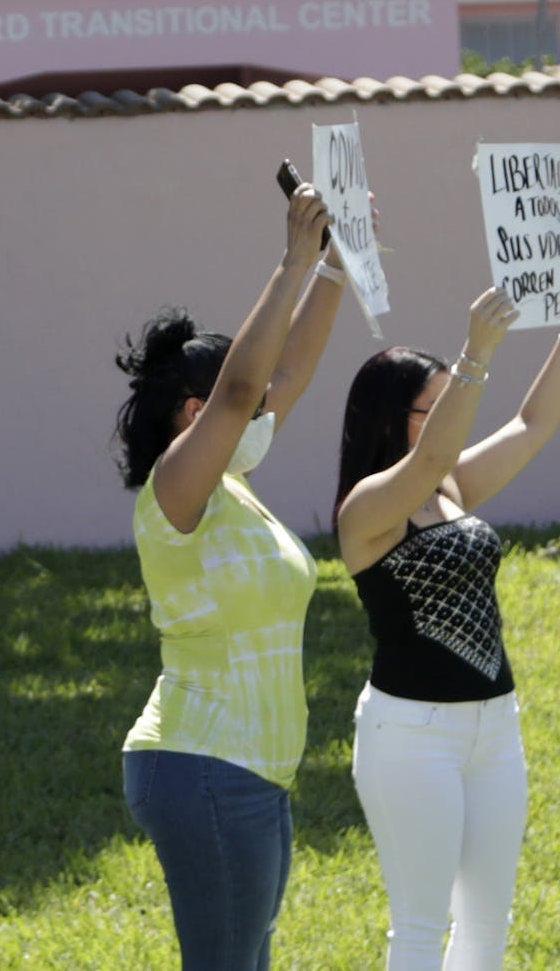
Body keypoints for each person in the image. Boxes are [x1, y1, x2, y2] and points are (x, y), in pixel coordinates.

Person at [333, 261, 560, 970]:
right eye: (439, 401)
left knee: (488, 928)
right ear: (399, 420)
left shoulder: (450, 485)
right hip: (410, 736)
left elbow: (533, 423)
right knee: (422, 930)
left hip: (494, 728)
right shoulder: (367, 509)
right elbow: (425, 463)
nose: (457, 406)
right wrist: (475, 355)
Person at [112, 182, 340, 970]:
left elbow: (285, 374)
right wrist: (291, 261)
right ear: (192, 414)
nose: (260, 408)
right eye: (232, 408)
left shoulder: (231, 483)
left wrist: (336, 270)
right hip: (203, 764)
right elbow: (247, 387)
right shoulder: (173, 491)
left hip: (252, 771)